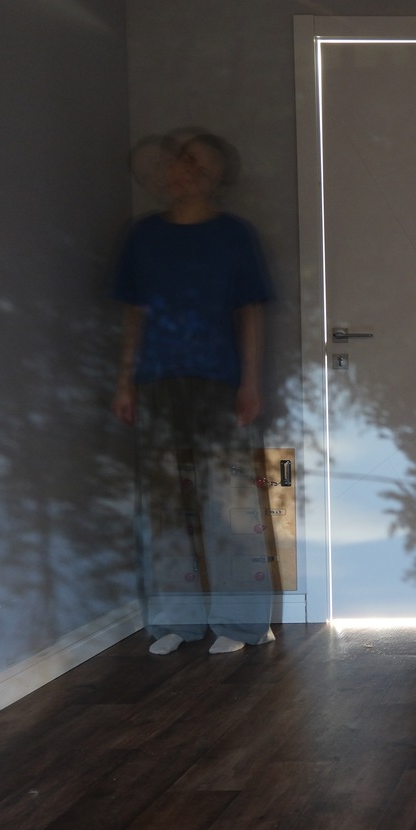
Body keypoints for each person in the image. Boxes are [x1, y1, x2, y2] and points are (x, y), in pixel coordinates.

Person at [112, 130, 278, 655]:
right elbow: (135, 314)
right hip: (156, 382)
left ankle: (242, 623)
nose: (182, 173)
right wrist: (125, 381)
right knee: (162, 505)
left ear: (213, 175)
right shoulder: (143, 236)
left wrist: (249, 382)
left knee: (228, 502)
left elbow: (250, 311)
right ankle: (173, 621)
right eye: (175, 164)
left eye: (194, 164)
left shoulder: (234, 235)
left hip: (218, 382)